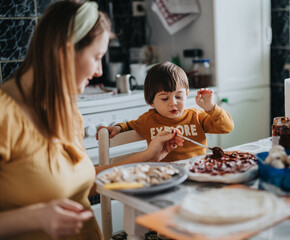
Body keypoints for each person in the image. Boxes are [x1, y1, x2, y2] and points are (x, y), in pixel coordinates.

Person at [0, 1, 183, 239]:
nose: (98, 71)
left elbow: (84, 181)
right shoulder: (5, 114)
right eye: (96, 57)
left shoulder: (66, 110)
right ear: (64, 51)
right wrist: (35, 217)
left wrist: (148, 157)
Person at [97, 61, 234, 162]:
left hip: (197, 171)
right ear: (151, 101)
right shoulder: (147, 119)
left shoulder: (196, 116)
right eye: (164, 98)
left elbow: (227, 127)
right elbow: (130, 126)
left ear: (186, 94)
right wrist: (117, 128)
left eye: (179, 96)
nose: (173, 102)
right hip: (164, 177)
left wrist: (211, 108)